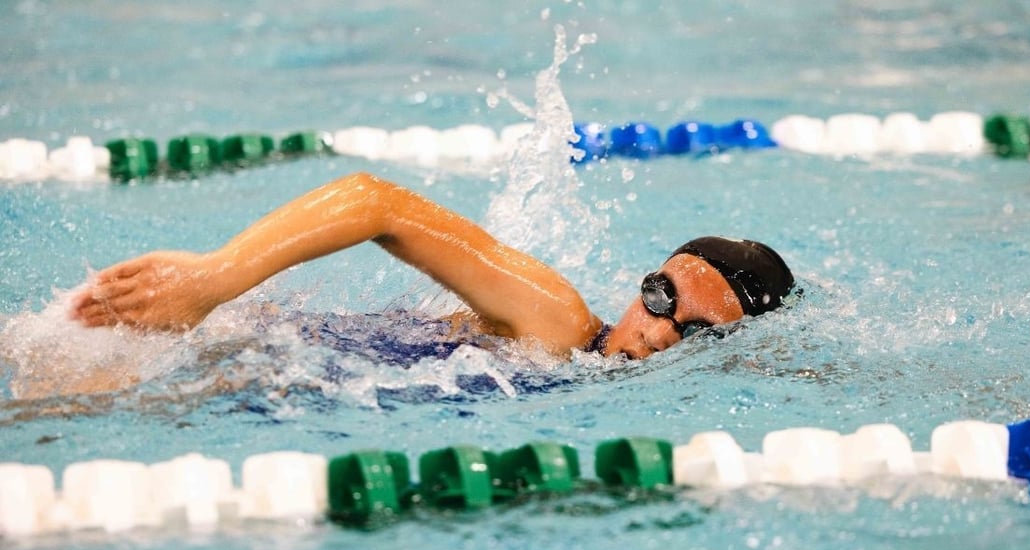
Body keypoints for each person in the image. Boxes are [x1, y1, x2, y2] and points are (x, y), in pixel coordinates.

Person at [71, 172, 794, 360]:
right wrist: (209, 280)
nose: (661, 331)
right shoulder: (559, 320)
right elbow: (373, 202)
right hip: (241, 352)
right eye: (662, 296)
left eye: (697, 333)